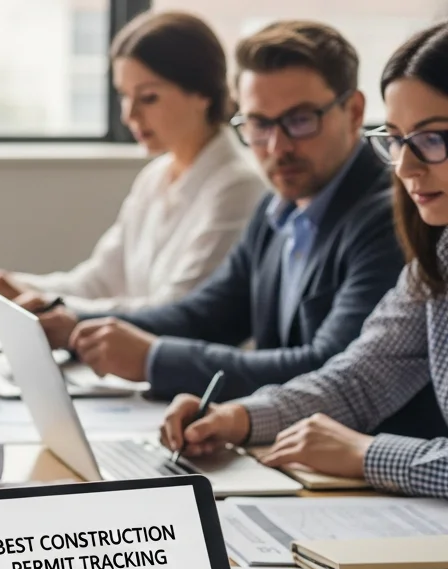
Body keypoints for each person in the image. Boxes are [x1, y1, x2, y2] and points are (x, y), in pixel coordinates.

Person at [38, 20, 444, 439]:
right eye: (259, 125)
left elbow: (329, 362)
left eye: (300, 121)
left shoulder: (393, 218)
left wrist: (154, 359)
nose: (277, 147)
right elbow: (212, 314)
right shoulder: (277, 204)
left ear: (355, 112)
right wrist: (79, 323)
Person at [162, 21, 448, 494]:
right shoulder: (438, 253)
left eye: (433, 138)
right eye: (396, 139)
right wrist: (237, 418)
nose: (405, 167)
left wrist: (368, 454)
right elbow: (359, 379)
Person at [0, 11, 267, 315]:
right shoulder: (155, 177)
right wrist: (9, 286)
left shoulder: (238, 186)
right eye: (124, 96)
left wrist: (42, 303)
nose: (128, 116)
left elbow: (175, 311)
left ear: (202, 93)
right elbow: (96, 282)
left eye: (148, 98)